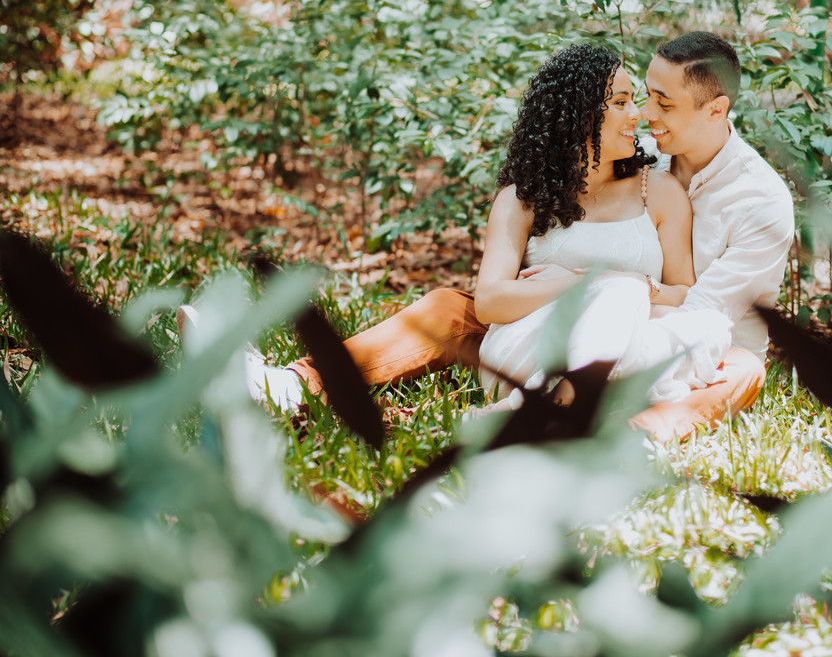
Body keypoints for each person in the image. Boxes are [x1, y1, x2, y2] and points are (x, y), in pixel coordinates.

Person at [244, 32, 795, 441]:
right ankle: (292, 385)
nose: (646, 115)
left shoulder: (758, 202)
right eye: (638, 99)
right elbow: (505, 285)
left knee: (741, 370)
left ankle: (622, 434)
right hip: (542, 326)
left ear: (716, 110)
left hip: (680, 341)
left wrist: (601, 289)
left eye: (661, 104)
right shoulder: (643, 153)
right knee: (446, 307)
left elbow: (699, 308)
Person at [472, 42, 731, 409]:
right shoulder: (521, 200)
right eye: (620, 102)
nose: (637, 115)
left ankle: (570, 400)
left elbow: (683, 292)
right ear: (577, 114)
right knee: (621, 291)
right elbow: (490, 302)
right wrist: (588, 284)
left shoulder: (657, 192)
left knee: (708, 326)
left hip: (624, 341)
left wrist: (625, 289)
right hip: (531, 348)